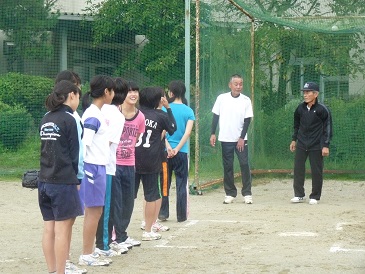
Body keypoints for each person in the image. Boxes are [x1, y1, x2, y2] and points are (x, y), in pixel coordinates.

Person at [38, 80, 83, 274]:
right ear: (71, 95)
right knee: (62, 231)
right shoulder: (70, 118)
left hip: (44, 180)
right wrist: (78, 178)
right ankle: (61, 271)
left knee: (49, 228)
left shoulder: (46, 117)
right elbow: (76, 154)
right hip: (63, 181)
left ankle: (52, 270)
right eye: (78, 96)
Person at [78, 75, 115, 267]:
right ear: (106, 92)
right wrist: (86, 172)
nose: (114, 94)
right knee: (93, 212)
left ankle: (89, 251)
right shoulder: (92, 115)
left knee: (97, 211)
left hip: (99, 166)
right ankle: (86, 254)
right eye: (112, 90)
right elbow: (84, 145)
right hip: (92, 168)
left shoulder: (97, 113)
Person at [54, 70, 87, 274]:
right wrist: (78, 176)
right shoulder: (68, 116)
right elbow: (75, 150)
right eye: (76, 86)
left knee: (63, 223)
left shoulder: (56, 114)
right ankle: (62, 265)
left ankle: (59, 265)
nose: (79, 90)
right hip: (67, 176)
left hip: (58, 175)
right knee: (62, 224)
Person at [135, 86, 176, 241]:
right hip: (151, 160)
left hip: (132, 159)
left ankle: (117, 232)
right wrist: (168, 108)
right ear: (157, 100)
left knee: (127, 197)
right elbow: (173, 128)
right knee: (152, 195)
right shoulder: (160, 115)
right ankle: (148, 230)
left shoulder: (135, 112)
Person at [109, 81, 146, 253]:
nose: (133, 94)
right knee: (116, 202)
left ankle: (122, 234)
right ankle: (114, 237)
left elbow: (137, 137)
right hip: (114, 164)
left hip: (129, 164)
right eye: (130, 91)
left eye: (136, 91)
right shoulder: (115, 112)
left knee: (128, 201)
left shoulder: (140, 117)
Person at [94, 77, 129, 257]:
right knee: (105, 207)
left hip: (94, 165)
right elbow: (107, 142)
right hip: (105, 166)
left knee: (96, 207)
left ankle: (101, 242)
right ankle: (103, 245)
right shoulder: (116, 115)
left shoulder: (97, 109)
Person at [210, 74, 254, 204]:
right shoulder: (221, 98)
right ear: (230, 85)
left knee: (244, 164)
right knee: (228, 166)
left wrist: (241, 138)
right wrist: (213, 133)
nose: (238, 86)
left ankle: (247, 193)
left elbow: (247, 120)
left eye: (241, 84)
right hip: (225, 138)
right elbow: (215, 117)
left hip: (241, 140)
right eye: (236, 84)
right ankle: (230, 193)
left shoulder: (246, 100)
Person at [290, 82, 332, 205]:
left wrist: (325, 145)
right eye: (304, 92)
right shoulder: (300, 108)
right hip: (302, 143)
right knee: (298, 169)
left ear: (316, 94)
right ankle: (299, 195)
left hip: (316, 145)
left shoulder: (322, 109)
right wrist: (294, 140)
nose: (305, 94)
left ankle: (315, 196)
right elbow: (296, 125)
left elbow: (328, 128)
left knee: (316, 171)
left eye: (308, 92)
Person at [159, 80, 195, 223]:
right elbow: (187, 133)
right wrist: (177, 149)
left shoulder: (164, 109)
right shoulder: (189, 111)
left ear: (171, 93)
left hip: (165, 152)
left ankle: (163, 213)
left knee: (165, 183)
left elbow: (161, 131)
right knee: (181, 184)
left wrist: (168, 146)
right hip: (181, 152)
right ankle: (181, 215)